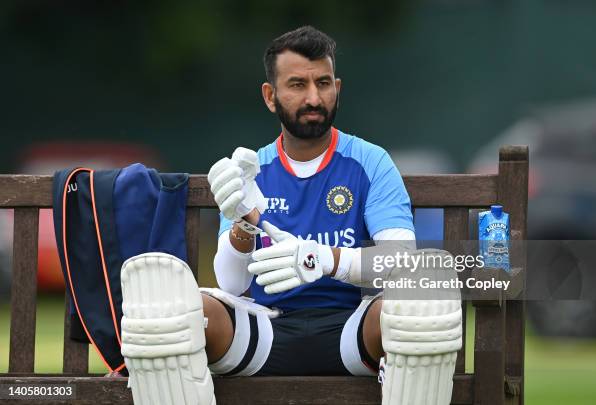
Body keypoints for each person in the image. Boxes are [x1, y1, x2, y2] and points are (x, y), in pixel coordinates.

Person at [119, 26, 462, 405]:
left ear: (337, 88)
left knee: (422, 296)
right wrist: (243, 223)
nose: (314, 97)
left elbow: (401, 261)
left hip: (353, 327)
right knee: (169, 312)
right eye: (297, 84)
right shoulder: (249, 172)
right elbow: (231, 285)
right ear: (271, 96)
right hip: (265, 327)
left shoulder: (370, 161)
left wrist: (320, 259)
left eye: (323, 83)